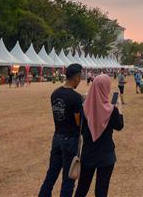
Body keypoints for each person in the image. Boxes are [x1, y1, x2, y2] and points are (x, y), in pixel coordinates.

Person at [74, 74, 123, 197]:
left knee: (81, 189)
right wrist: (119, 108)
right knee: (101, 191)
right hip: (106, 155)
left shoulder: (84, 108)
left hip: (88, 153)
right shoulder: (111, 110)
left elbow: (79, 128)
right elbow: (119, 126)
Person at [38, 63, 84, 197]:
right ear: (76, 77)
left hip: (57, 136)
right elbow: (78, 122)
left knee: (51, 174)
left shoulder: (55, 94)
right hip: (71, 139)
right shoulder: (76, 98)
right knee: (68, 179)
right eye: (80, 78)